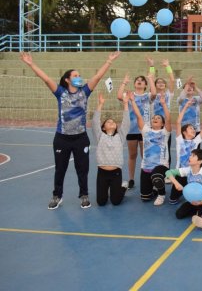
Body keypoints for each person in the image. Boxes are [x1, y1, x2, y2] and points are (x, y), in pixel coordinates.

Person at [20, 51, 120, 209]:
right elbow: (46, 78)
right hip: (62, 138)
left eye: (79, 75)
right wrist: (31, 64)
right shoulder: (60, 93)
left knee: (83, 170)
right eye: (75, 75)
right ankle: (57, 196)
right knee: (60, 169)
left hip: (80, 138)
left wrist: (109, 61)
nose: (79, 77)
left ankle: (84, 195)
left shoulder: (84, 92)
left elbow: (97, 77)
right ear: (67, 79)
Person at [130, 91, 172, 206]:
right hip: (146, 167)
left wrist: (163, 104)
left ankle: (161, 194)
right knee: (145, 197)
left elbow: (168, 119)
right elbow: (139, 115)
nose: (155, 118)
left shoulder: (165, 132)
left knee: (157, 176)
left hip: (160, 166)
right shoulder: (146, 131)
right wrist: (133, 101)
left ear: (162, 124)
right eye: (154, 117)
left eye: (158, 118)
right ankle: (154, 187)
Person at [118, 72, 157, 190]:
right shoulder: (129, 95)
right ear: (134, 84)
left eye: (142, 80)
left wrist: (150, 79)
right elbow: (119, 96)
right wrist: (124, 82)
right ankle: (131, 179)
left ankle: (149, 177)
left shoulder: (147, 96)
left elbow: (154, 93)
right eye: (137, 80)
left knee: (145, 155)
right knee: (132, 155)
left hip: (144, 130)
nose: (139, 81)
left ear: (145, 85)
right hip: (131, 129)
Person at [169, 97, 202, 204]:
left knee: (196, 197)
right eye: (190, 128)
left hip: (192, 173)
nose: (193, 130)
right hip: (180, 172)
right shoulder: (180, 140)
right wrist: (185, 107)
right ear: (184, 132)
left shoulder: (196, 141)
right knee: (173, 200)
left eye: (194, 128)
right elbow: (178, 122)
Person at [93, 92, 130, 207]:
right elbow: (95, 122)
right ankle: (112, 190)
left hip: (116, 173)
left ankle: (123, 187)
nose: (112, 122)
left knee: (116, 201)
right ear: (103, 127)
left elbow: (126, 123)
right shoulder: (100, 136)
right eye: (108, 122)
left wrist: (125, 104)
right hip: (102, 173)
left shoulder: (120, 136)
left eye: (113, 122)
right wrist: (100, 104)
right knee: (101, 202)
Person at [166, 148, 202, 221]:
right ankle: (197, 212)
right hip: (191, 200)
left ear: (200, 161)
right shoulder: (188, 170)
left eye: (193, 156)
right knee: (179, 215)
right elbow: (168, 172)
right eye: (191, 155)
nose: (190, 157)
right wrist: (176, 184)